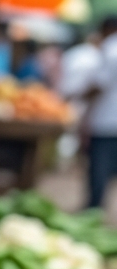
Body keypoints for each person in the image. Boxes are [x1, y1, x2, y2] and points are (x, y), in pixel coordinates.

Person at [85, 17, 117, 207]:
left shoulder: (111, 49)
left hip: (106, 121)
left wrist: (79, 95)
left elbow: (100, 84)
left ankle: (93, 211)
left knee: (99, 170)